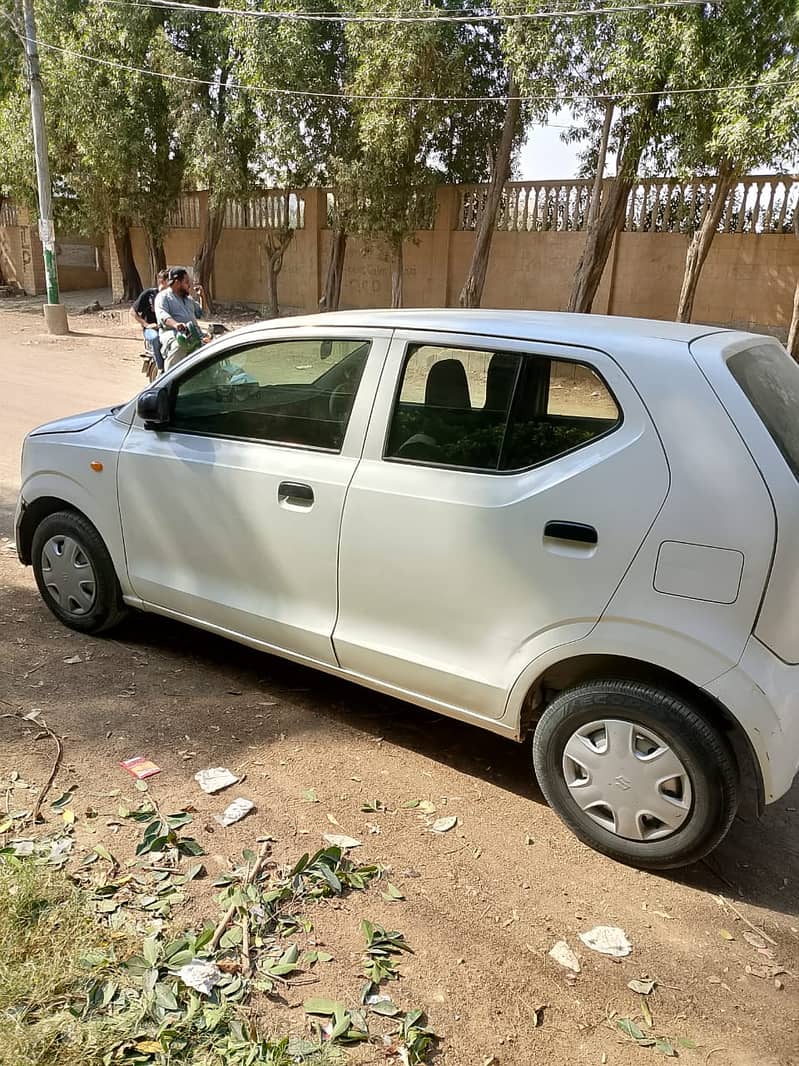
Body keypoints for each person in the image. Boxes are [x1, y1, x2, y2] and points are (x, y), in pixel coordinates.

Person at [154, 266, 207, 372]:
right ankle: (167, 381)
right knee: (179, 345)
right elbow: (162, 316)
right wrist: (176, 325)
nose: (189, 285)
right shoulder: (163, 297)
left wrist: (202, 297)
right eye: (186, 282)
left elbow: (201, 313)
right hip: (173, 334)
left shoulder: (188, 299)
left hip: (193, 334)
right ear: (177, 282)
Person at [130, 269, 169, 370]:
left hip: (166, 327)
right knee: (156, 339)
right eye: (169, 281)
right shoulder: (149, 294)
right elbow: (132, 312)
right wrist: (147, 325)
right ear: (162, 281)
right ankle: (161, 370)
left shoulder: (171, 296)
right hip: (150, 329)